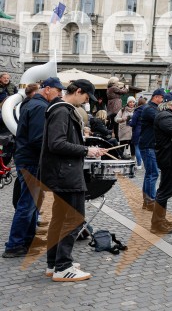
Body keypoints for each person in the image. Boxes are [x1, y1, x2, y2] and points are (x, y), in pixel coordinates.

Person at [41, 79, 106, 281]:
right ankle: (63, 266)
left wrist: (82, 141)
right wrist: (87, 149)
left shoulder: (60, 109)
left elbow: (60, 141)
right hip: (66, 174)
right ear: (78, 91)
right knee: (74, 219)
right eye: (87, 97)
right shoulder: (62, 110)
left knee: (59, 220)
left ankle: (54, 263)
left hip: (61, 172)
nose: (87, 101)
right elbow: (57, 144)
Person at [3, 78, 64, 259]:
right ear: (46, 89)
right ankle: (14, 245)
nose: (59, 94)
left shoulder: (31, 104)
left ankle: (27, 241)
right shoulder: (39, 107)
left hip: (27, 159)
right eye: (57, 90)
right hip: (31, 160)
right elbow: (38, 139)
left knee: (32, 204)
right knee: (27, 205)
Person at [151, 92, 172, 234]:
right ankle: (157, 224)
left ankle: (160, 219)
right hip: (169, 158)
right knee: (164, 192)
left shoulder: (168, 115)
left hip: (170, 157)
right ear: (170, 105)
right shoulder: (165, 116)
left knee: (165, 191)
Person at [139, 88, 165, 208]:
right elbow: (161, 121)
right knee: (153, 173)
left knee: (150, 173)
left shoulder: (152, 108)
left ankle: (147, 200)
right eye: (162, 98)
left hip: (149, 144)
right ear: (156, 97)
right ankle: (150, 200)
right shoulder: (150, 109)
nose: (163, 100)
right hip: (148, 144)